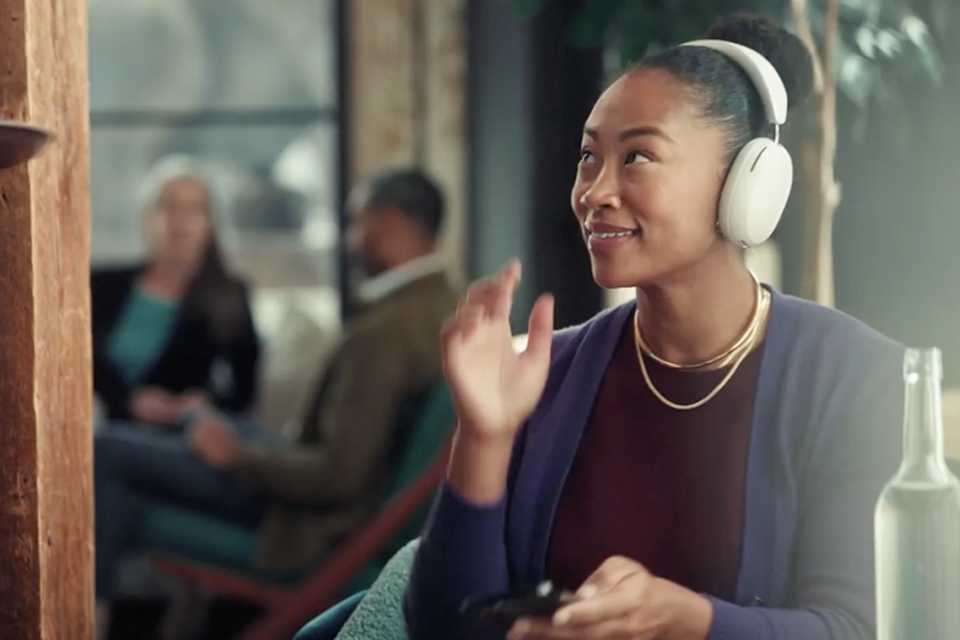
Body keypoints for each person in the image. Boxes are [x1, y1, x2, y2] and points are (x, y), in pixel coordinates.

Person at [406, 15, 904, 640]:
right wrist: (483, 436)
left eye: (637, 156)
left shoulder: (856, 378)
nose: (595, 191)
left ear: (746, 185)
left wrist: (687, 621)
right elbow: (444, 629)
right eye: (589, 157)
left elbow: (863, 629)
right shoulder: (547, 375)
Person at [94, 168, 459, 614]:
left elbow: (336, 476)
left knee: (107, 450)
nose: (350, 239)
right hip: (305, 491)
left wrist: (236, 455)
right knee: (179, 438)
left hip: (303, 523)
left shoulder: (386, 331)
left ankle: (77, 616)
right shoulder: (440, 306)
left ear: (390, 223)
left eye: (356, 222)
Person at [91, 155, 260, 425]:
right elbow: (81, 366)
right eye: (168, 207)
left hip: (183, 438)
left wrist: (198, 405)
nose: (180, 222)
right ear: (146, 217)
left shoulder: (229, 295)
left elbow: (243, 394)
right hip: (105, 425)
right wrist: (127, 401)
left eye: (194, 209)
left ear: (209, 224)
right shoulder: (102, 285)